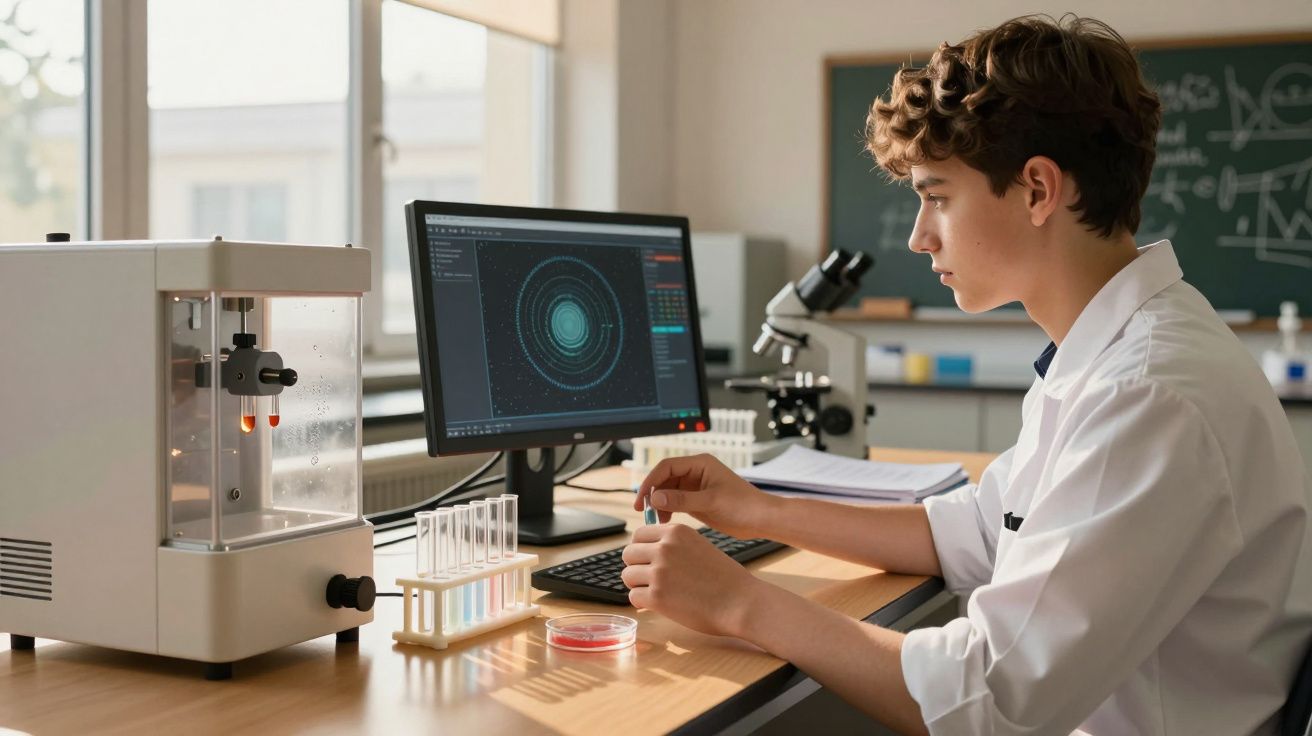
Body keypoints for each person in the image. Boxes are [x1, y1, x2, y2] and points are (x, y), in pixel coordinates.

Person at [622, 14, 1312, 736]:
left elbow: (987, 699)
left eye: (938, 196)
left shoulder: (1146, 395)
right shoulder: (1112, 352)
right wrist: (754, 508)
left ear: (1039, 190)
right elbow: (979, 532)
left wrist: (740, 603)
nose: (920, 236)